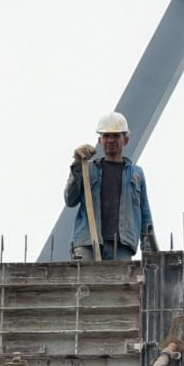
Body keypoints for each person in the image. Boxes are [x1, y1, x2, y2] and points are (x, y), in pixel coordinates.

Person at [64, 111, 156, 261]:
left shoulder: (136, 174)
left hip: (121, 245)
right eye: (106, 136)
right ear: (100, 141)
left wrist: (149, 249)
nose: (111, 140)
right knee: (83, 283)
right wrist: (77, 165)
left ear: (125, 140)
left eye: (116, 136)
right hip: (88, 242)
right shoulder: (89, 169)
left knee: (121, 284)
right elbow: (70, 200)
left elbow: (144, 213)